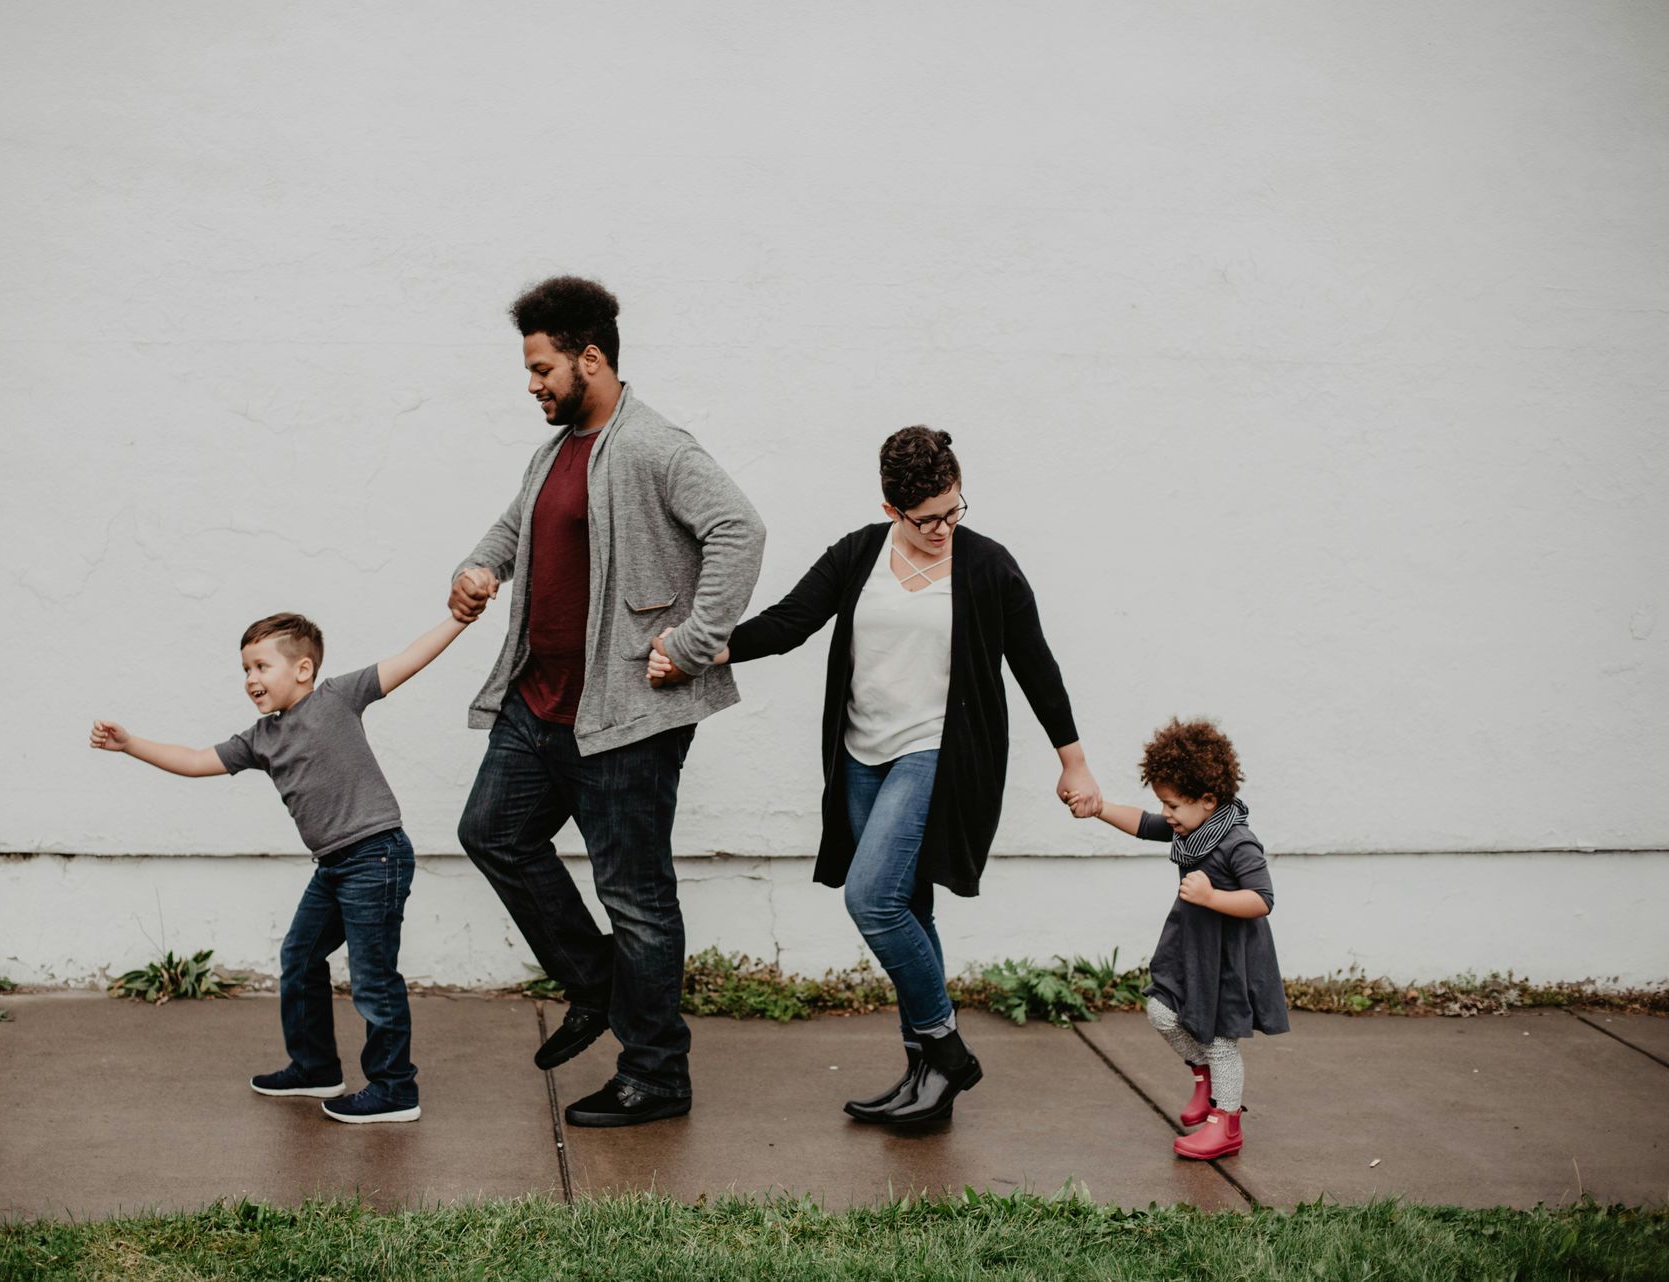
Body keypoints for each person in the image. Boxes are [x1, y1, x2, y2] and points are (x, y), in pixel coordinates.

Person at [648, 426, 1102, 1125]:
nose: (944, 529)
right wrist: (699, 652)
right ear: (892, 509)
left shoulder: (987, 567)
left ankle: (947, 1051)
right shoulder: (861, 553)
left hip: (936, 754)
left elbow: (1035, 664)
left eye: (955, 511)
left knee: (873, 901)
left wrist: (1073, 761)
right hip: (861, 756)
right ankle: (927, 1082)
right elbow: (790, 622)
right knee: (909, 908)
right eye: (927, 520)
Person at [451, 276, 764, 1128]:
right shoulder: (554, 451)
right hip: (539, 704)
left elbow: (741, 530)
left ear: (591, 358)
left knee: (636, 895)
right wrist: (478, 569)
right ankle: (596, 988)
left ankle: (657, 1073)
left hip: (624, 716)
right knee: (492, 833)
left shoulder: (655, 447)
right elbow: (516, 527)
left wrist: (694, 642)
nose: (532, 384)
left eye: (542, 366)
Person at [90, 610, 468, 1123]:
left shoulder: (338, 697)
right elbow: (198, 760)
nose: (250, 679)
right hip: (333, 866)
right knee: (300, 956)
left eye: (261, 667)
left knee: (373, 978)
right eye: (245, 669)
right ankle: (315, 1067)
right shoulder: (261, 738)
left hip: (376, 856)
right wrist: (130, 745)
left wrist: (458, 619)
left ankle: (395, 1088)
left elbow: (409, 659)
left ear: (303, 669)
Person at [1089, 717, 1288, 1160]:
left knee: (1220, 1040)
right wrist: (1098, 807)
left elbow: (1262, 899)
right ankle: (1204, 1076)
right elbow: (1142, 823)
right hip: (1191, 949)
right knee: (1161, 1010)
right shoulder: (1190, 827)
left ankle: (1226, 1122)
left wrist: (1212, 895)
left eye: (1173, 805)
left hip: (1227, 957)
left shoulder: (1238, 841)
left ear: (1208, 799)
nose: (1167, 814)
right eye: (1164, 803)